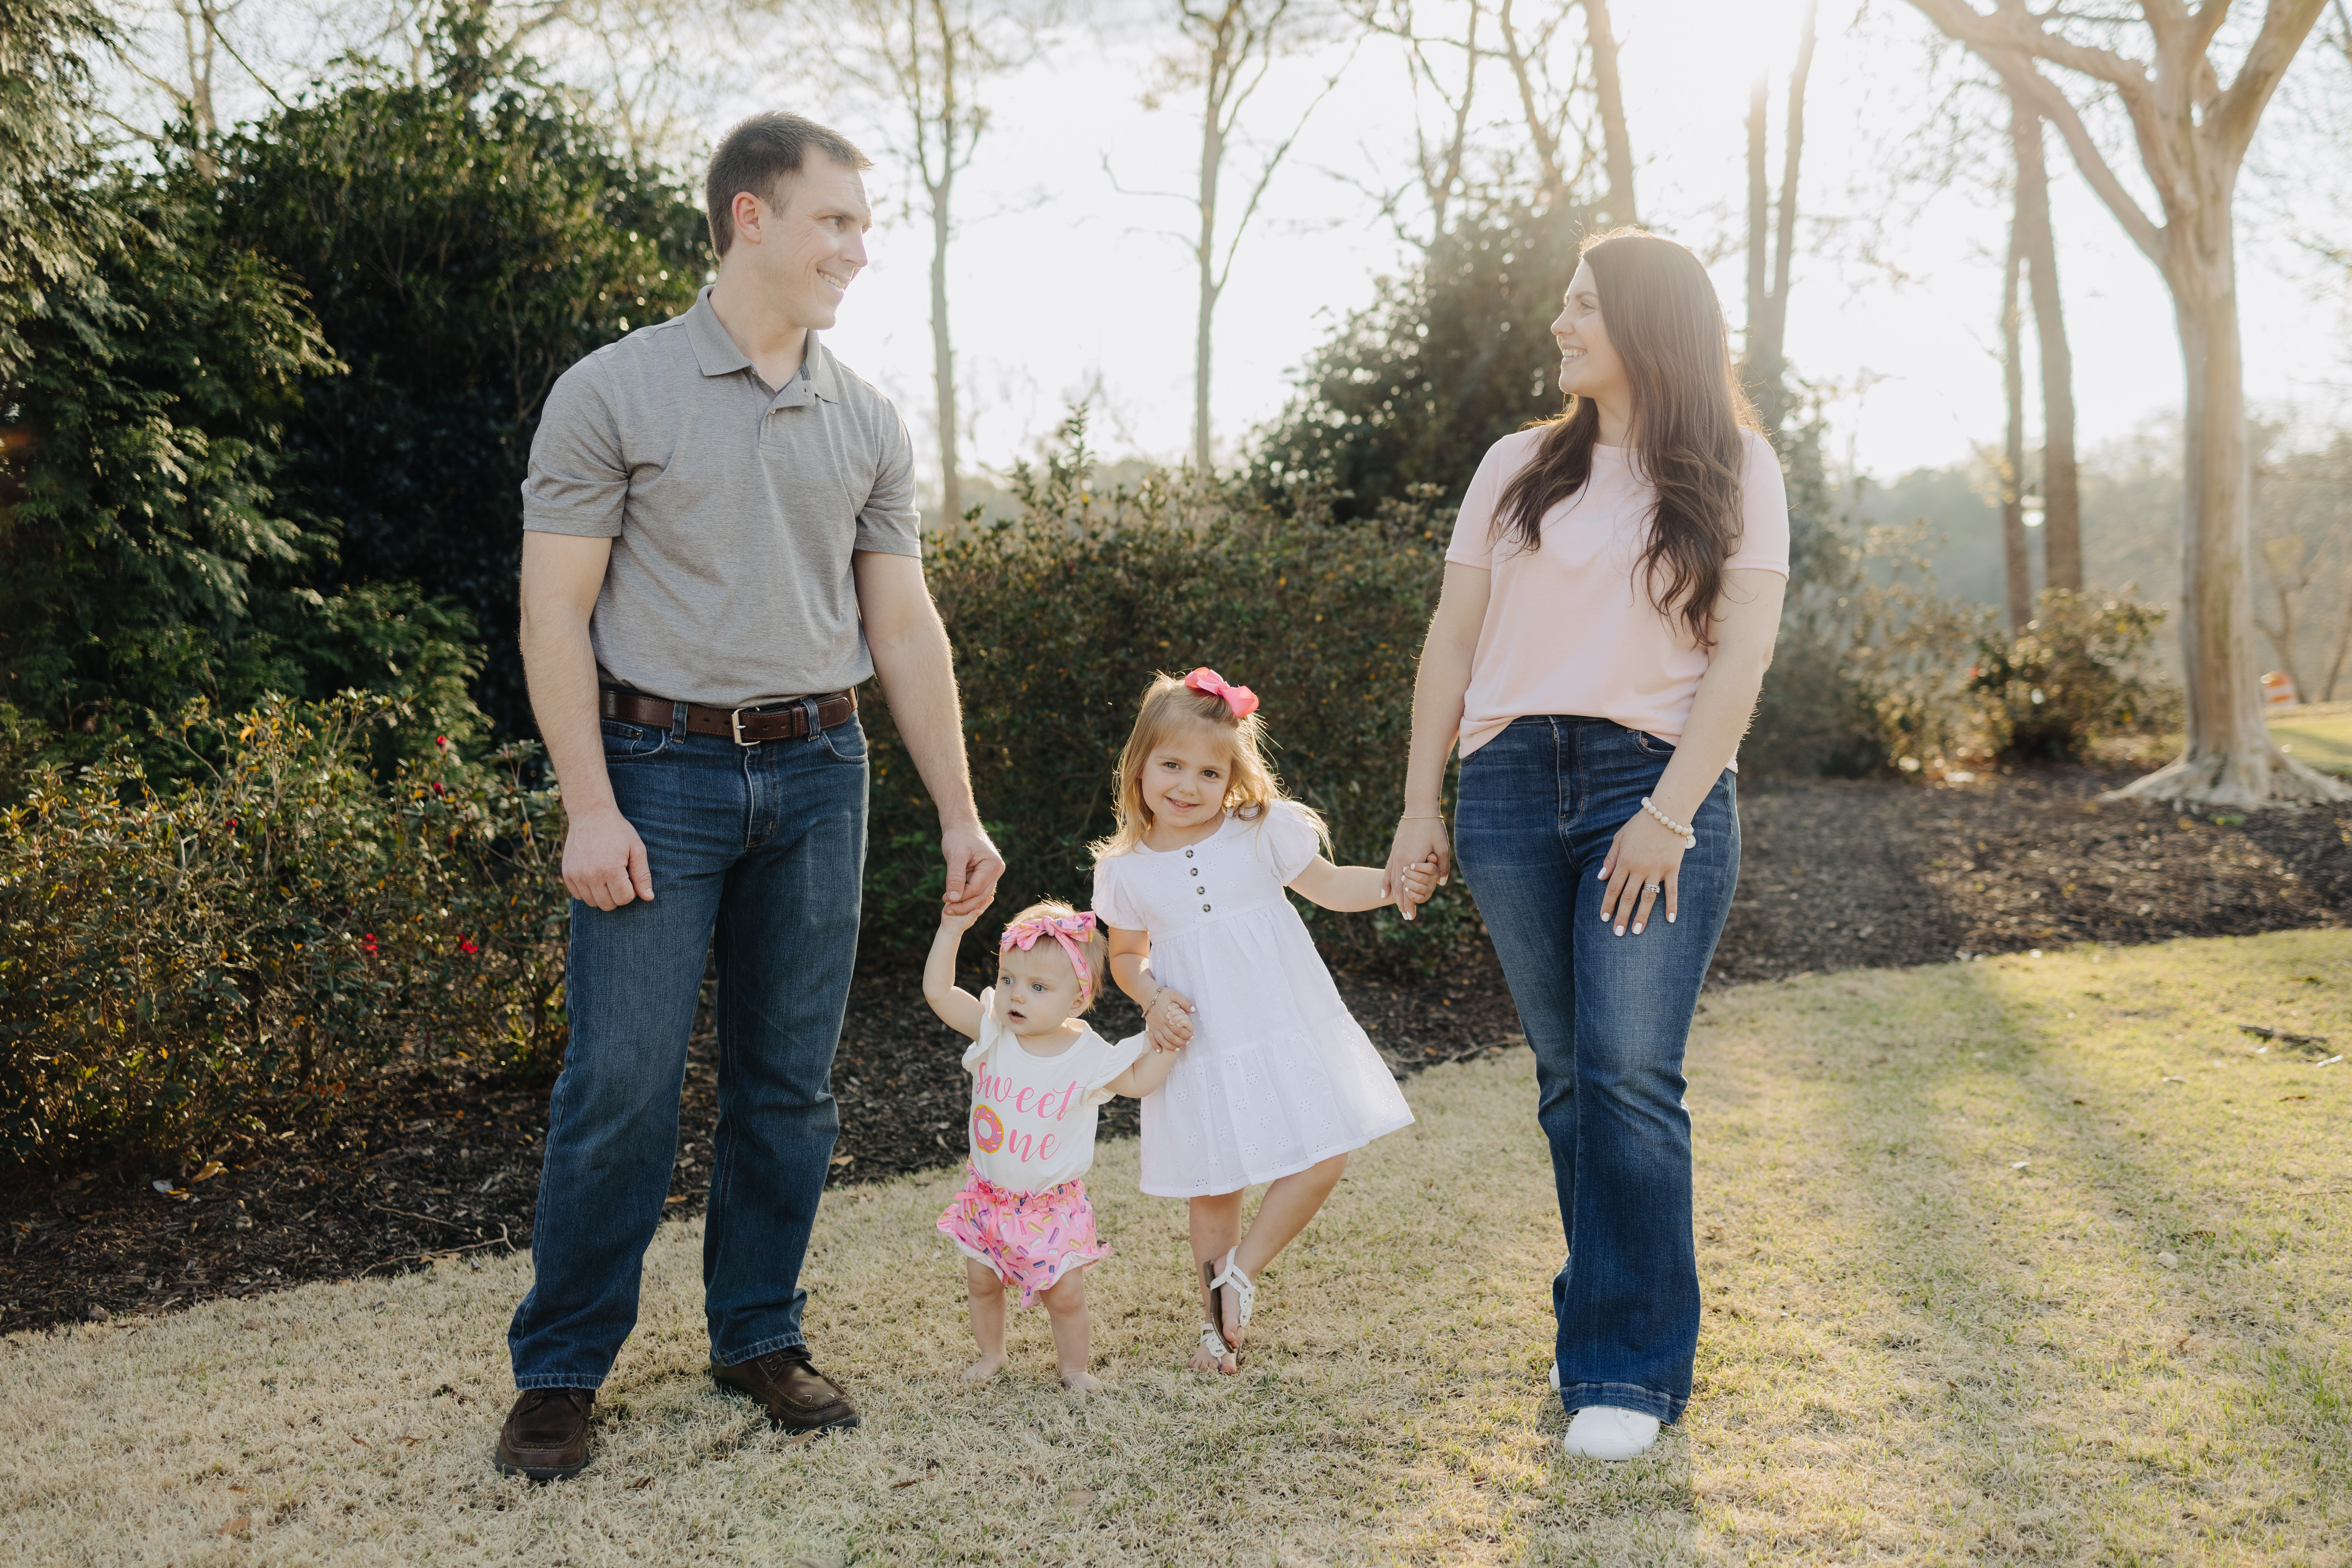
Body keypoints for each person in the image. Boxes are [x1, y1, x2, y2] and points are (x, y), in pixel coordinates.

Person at [495, 112, 1004, 1480]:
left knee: (791, 1086)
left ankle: (757, 1333)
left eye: (861, 221)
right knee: (621, 1083)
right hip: (654, 777)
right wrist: (586, 805)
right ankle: (560, 1368)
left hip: (818, 773)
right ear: (750, 219)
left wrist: (956, 809)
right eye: (835, 219)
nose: (858, 246)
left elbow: (904, 629)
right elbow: (554, 619)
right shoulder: (614, 390)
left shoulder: (866, 415)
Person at [1385, 229, 1788, 1462]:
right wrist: (1419, 802)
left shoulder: (1735, 466)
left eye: (1580, 308)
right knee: (1568, 1083)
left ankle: (1630, 1366)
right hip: (1508, 784)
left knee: (1626, 1074)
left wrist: (1667, 816)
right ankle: (1602, 1320)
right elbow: (1452, 641)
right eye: (1560, 306)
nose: (1557, 326)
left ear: (1647, 324)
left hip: (1646, 785)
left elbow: (1742, 656)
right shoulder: (1515, 464)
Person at [1092, 669, 1436, 1374]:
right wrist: (1152, 998)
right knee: (1214, 1184)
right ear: (1140, 766)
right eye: (1172, 766)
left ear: (1233, 778)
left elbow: (1329, 886)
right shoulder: (1124, 871)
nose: (1188, 785)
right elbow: (1126, 957)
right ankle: (1218, 1334)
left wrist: (1392, 883)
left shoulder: (1260, 831)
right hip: (1201, 1040)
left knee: (1324, 1148)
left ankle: (1240, 1274)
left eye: (1208, 772)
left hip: (1282, 1019)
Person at [921, 902, 1184, 1391]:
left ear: (1076, 1000)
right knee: (981, 1283)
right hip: (988, 1200)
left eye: (1038, 988)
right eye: (1008, 980)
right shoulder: (992, 1031)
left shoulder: (1086, 1055)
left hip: (1051, 1209)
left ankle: (1074, 1368)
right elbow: (937, 992)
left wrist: (1167, 1043)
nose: (1016, 995)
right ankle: (991, 1354)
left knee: (1064, 1296)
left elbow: (1139, 1081)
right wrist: (951, 928)